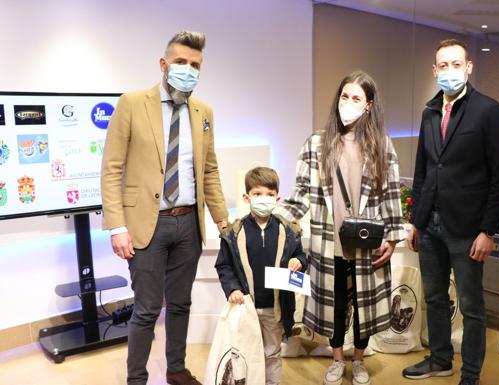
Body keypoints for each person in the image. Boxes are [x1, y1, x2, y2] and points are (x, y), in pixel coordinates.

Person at [101, 31, 229, 385]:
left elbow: (210, 169)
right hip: (146, 224)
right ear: (164, 64)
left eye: (195, 65)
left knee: (181, 304)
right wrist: (117, 226)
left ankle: (175, 370)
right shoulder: (131, 103)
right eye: (181, 62)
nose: (188, 70)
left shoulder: (204, 112)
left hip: (188, 223)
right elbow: (111, 167)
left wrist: (223, 221)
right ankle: (137, 379)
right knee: (145, 309)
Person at [274, 70, 404, 385]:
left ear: (369, 104)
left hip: (367, 240)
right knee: (335, 305)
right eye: (344, 96)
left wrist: (393, 237)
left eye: (356, 98)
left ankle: (358, 361)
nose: (348, 103)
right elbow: (302, 192)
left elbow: (391, 194)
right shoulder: (317, 143)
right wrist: (274, 211)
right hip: (327, 240)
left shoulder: (381, 145)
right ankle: (336, 360)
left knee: (364, 306)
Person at [402, 39, 499, 385]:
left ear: (468, 67)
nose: (449, 71)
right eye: (443, 66)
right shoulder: (429, 112)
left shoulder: (488, 111)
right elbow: (424, 171)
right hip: (431, 226)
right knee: (434, 298)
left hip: (468, 229)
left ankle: (470, 374)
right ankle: (440, 359)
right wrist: (417, 222)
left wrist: (488, 231)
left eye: (456, 64)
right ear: (435, 71)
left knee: (471, 307)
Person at [214, 166, 307, 385]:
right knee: (246, 354)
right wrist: (233, 288)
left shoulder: (290, 230)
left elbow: (301, 256)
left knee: (272, 354)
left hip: (274, 307)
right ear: (247, 197)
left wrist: (299, 262)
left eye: (269, 194)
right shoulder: (233, 233)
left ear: (278, 198)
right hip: (246, 307)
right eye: (257, 194)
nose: (263, 199)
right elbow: (224, 265)